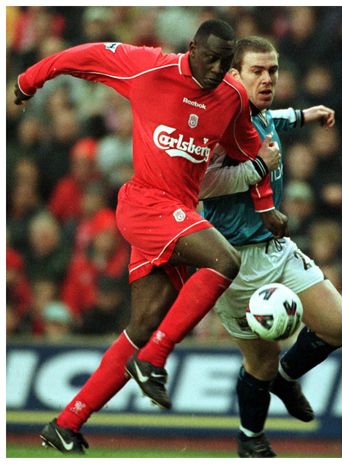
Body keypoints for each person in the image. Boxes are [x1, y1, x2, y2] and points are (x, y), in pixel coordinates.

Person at [15, 19, 281, 454]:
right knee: (225, 261)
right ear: (192, 47)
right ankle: (155, 359)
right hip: (144, 204)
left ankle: (66, 423)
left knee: (142, 326)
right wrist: (29, 81)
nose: (216, 69)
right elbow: (83, 56)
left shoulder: (231, 97)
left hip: (177, 217)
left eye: (224, 62)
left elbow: (252, 150)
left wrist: (266, 207)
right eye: (210, 58)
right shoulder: (149, 67)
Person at [198, 36, 342, 457]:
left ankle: (286, 379)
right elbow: (201, 185)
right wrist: (258, 168)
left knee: (340, 326)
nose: (268, 79)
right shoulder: (217, 124)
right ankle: (250, 438)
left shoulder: (259, 111)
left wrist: (305, 115)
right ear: (234, 75)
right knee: (260, 362)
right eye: (257, 71)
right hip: (232, 260)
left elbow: (274, 120)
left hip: (274, 248)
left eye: (273, 70)